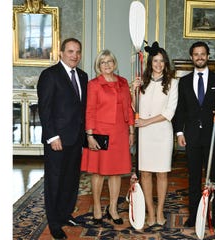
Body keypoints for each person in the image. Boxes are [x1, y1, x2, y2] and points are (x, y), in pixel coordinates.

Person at [173, 41, 215, 228]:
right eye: (196, 54)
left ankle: (210, 213)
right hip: (191, 136)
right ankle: (194, 213)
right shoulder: (184, 81)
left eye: (203, 54)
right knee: (194, 176)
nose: (199, 57)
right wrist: (180, 132)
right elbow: (180, 109)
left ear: (208, 56)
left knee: (212, 177)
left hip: (212, 135)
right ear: (191, 57)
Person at [37, 37, 88, 239]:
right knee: (55, 181)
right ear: (61, 53)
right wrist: (52, 136)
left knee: (71, 180)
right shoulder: (50, 75)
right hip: (57, 139)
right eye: (70, 51)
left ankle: (66, 214)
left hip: (76, 138)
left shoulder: (82, 76)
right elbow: (45, 109)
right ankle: (54, 222)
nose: (74, 56)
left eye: (77, 52)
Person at [81, 50, 134, 226]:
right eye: (103, 62)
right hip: (100, 133)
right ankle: (97, 207)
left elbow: (128, 108)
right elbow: (89, 110)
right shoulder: (94, 84)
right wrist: (89, 135)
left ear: (115, 63)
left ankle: (112, 208)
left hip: (120, 132)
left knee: (116, 172)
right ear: (98, 66)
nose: (107, 65)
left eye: (110, 61)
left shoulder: (123, 82)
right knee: (98, 171)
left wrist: (131, 131)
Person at [131, 42, 178, 226]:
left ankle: (160, 212)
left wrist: (145, 122)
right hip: (144, 134)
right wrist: (134, 91)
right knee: (145, 173)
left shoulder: (173, 83)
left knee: (162, 173)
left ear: (166, 63)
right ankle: (150, 212)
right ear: (150, 62)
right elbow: (135, 108)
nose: (158, 64)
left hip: (162, 133)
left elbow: (169, 113)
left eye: (162, 61)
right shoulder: (142, 82)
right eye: (155, 61)